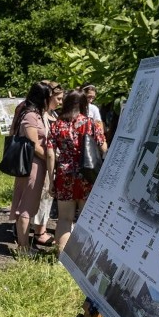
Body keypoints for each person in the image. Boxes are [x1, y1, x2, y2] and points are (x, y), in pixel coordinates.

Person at [46, 89, 106, 251]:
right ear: (84, 105)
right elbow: (103, 147)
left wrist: (51, 180)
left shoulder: (57, 125)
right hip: (87, 175)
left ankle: (61, 257)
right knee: (88, 218)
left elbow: (50, 155)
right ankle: (87, 254)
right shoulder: (91, 123)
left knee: (65, 219)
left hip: (64, 176)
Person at [8, 81, 52, 254]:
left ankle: (23, 244)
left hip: (30, 165)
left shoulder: (27, 111)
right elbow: (33, 143)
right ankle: (24, 248)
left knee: (24, 205)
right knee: (27, 206)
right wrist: (50, 159)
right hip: (32, 165)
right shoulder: (31, 116)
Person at [31, 81, 63, 247]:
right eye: (58, 98)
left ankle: (39, 227)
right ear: (49, 97)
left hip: (51, 161)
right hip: (43, 160)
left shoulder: (53, 115)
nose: (60, 102)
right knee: (43, 195)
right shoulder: (40, 115)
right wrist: (50, 157)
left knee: (46, 196)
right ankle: (39, 232)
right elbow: (36, 143)